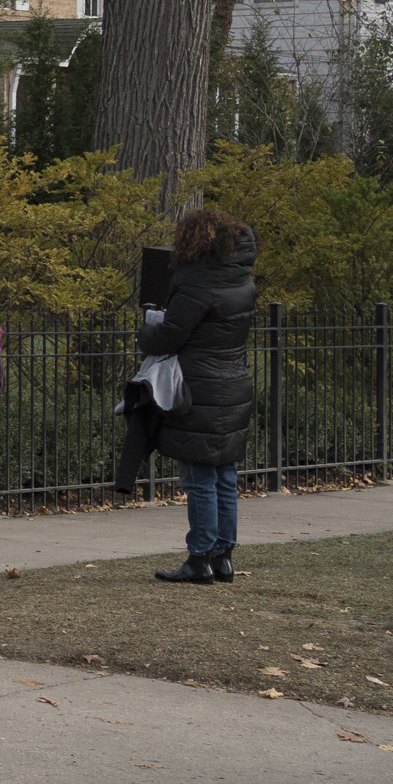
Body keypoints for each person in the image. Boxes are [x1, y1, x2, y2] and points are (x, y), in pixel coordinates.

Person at [142, 207, 261, 586]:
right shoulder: (242, 280)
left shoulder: (196, 282)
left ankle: (199, 557)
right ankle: (223, 555)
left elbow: (171, 334)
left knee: (198, 478)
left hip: (198, 387)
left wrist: (144, 333)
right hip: (234, 383)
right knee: (224, 473)